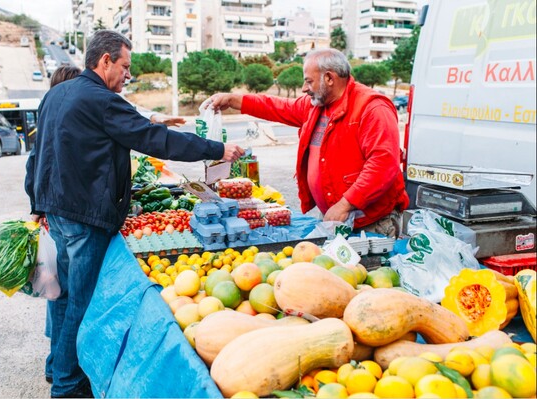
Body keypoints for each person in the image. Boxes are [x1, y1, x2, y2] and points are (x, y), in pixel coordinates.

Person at [25, 30, 244, 398]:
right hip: (83, 216)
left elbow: (39, 155)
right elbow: (154, 139)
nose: (128, 75)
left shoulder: (57, 94)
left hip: (58, 213)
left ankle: (56, 369)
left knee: (62, 298)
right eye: (124, 66)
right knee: (81, 301)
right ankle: (66, 386)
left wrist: (38, 204)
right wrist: (217, 148)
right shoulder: (102, 100)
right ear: (105, 60)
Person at [209, 48, 409, 237]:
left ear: (329, 78)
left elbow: (383, 165)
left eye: (309, 81)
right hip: (336, 215)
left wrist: (345, 204)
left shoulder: (372, 108)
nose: (304, 88)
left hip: (370, 222)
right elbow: (277, 107)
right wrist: (235, 100)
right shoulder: (316, 106)